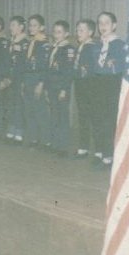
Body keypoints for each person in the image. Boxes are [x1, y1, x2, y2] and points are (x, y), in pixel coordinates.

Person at [91, 12, 125, 167]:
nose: (102, 26)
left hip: (112, 83)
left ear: (114, 25)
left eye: (106, 23)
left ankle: (109, 155)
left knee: (108, 120)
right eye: (100, 23)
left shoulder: (120, 44)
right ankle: (99, 151)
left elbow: (121, 67)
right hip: (97, 82)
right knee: (97, 118)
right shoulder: (97, 45)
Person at [46, 20, 76, 157]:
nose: (56, 35)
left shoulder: (68, 49)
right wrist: (47, 87)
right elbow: (49, 69)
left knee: (62, 116)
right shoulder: (53, 47)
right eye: (54, 32)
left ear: (66, 34)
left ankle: (63, 146)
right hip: (52, 86)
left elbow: (68, 71)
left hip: (61, 87)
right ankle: (55, 143)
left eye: (59, 32)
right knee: (54, 115)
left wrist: (64, 89)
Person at [23, 14, 51, 147]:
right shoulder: (31, 42)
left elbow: (45, 65)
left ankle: (45, 139)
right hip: (28, 77)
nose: (31, 28)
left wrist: (41, 83)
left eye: (34, 25)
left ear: (42, 27)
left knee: (40, 110)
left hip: (37, 78)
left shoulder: (44, 43)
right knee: (30, 110)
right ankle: (33, 138)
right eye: (30, 25)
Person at [73, 19, 98, 158]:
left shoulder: (92, 47)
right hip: (80, 85)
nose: (78, 33)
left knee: (92, 117)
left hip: (89, 86)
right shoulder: (80, 47)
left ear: (90, 32)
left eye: (82, 30)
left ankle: (98, 149)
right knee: (82, 117)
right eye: (77, 30)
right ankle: (83, 147)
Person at [5, 16, 29, 144]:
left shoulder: (25, 42)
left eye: (14, 25)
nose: (11, 28)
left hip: (20, 78)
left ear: (21, 27)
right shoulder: (12, 41)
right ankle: (11, 130)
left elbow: (24, 64)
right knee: (12, 104)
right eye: (10, 25)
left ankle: (19, 133)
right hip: (11, 78)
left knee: (19, 105)